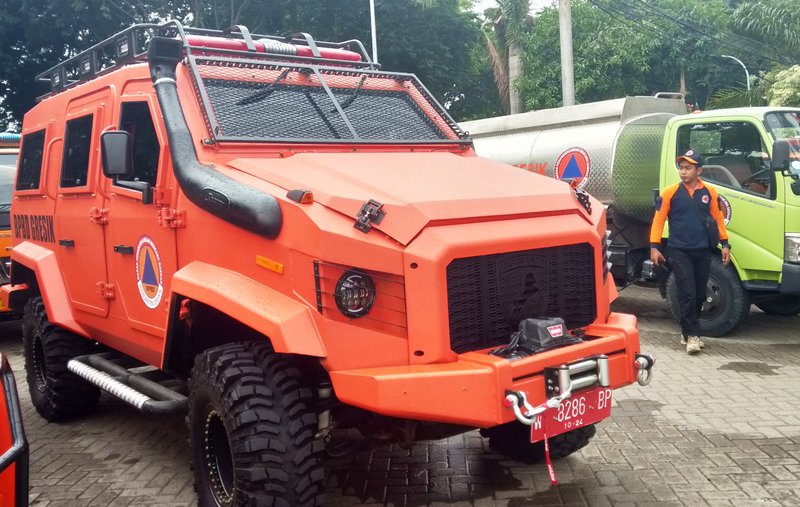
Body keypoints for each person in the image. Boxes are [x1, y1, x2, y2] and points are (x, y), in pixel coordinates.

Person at [650, 149, 731, 354]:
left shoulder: (709, 192)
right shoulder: (670, 193)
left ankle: (687, 333)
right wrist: (654, 247)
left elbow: (718, 218)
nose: (683, 172)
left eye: (688, 168)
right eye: (681, 168)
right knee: (686, 293)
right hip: (679, 251)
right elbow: (658, 221)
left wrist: (725, 244)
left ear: (699, 170)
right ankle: (693, 336)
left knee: (699, 294)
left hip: (703, 250)